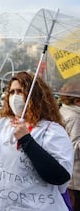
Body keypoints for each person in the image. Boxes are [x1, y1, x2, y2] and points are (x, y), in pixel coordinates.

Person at [0, 71, 74, 210]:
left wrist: (26, 140)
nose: (15, 96)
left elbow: (59, 176)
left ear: (34, 95)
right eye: (11, 92)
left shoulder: (52, 131)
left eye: (20, 91)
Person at [59, 81, 80, 210]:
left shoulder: (64, 111)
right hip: (76, 180)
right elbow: (73, 148)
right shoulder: (75, 117)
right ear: (77, 101)